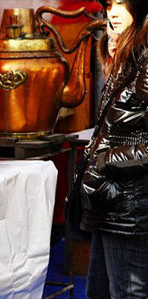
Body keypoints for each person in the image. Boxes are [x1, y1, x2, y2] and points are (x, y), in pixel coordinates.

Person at [79, 0, 148, 297]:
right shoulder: (130, 57)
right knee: (100, 291)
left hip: (130, 206)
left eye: (122, 4)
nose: (113, 13)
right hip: (112, 202)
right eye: (109, 4)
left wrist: (105, 161)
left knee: (127, 293)